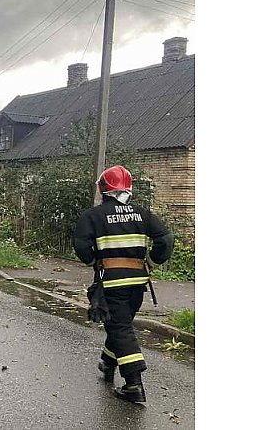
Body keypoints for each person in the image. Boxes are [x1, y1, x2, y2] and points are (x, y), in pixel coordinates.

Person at [73, 165, 174, 403]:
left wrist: (91, 260)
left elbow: (81, 246)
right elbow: (166, 240)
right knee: (120, 324)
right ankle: (107, 363)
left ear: (103, 189)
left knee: (120, 328)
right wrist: (150, 261)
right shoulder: (143, 214)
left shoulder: (93, 216)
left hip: (111, 283)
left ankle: (133, 384)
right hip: (137, 284)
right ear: (128, 189)